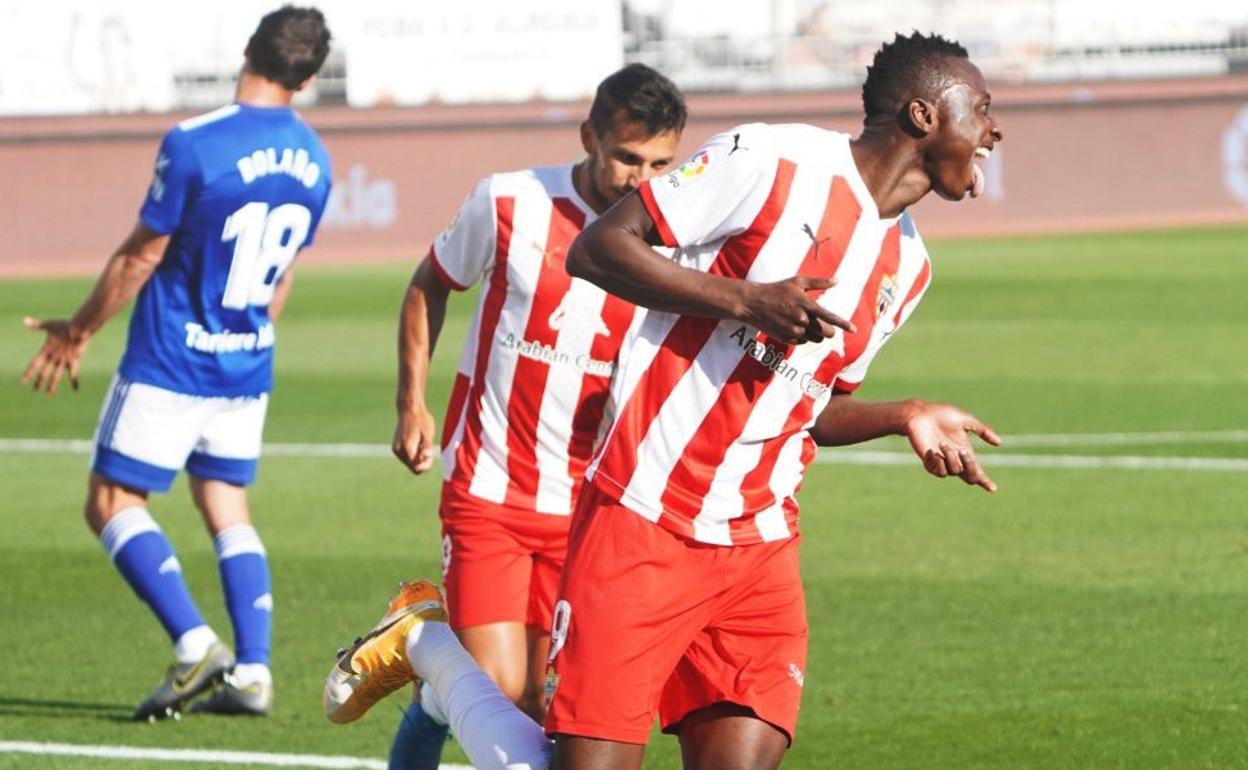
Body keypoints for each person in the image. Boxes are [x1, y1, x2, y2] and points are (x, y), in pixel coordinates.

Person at [324, 31, 1004, 770]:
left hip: (758, 549)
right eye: (984, 110)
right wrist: (743, 299)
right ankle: (430, 644)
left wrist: (903, 414)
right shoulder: (774, 161)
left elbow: (805, 408)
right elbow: (597, 250)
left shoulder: (908, 266)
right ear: (923, 115)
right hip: (642, 521)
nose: (995, 130)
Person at [22, 5, 333, 720]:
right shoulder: (316, 159)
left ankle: (196, 645)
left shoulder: (195, 143)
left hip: (171, 360)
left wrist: (78, 330)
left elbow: (141, 254)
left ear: (247, 51)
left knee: (109, 502)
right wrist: (245, 340)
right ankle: (254, 672)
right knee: (225, 504)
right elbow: (282, 275)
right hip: (246, 362)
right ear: (310, 77)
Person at [384, 63, 686, 770]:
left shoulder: (673, 237)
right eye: (627, 158)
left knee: (550, 713)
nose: (642, 178)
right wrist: (411, 404)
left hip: (588, 511)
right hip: (488, 491)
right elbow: (431, 282)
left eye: (661, 163)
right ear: (590, 136)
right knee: (496, 695)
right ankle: (431, 651)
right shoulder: (510, 201)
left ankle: (426, 662)